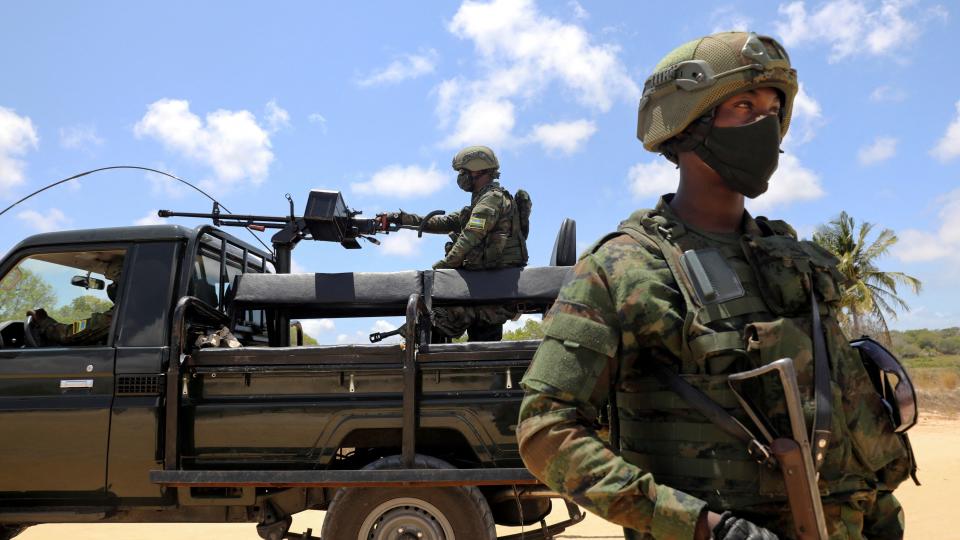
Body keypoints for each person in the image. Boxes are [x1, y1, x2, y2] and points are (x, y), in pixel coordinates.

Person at [517, 32, 914, 539]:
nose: (765, 123)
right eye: (744, 105)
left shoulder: (798, 263)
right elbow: (545, 431)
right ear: (687, 122)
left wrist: (881, 518)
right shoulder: (622, 268)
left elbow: (841, 420)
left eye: (774, 109)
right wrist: (705, 527)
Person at [382, 145, 530, 342]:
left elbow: (471, 235)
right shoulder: (483, 200)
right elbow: (445, 222)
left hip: (490, 286)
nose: (460, 177)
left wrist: (442, 270)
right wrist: (402, 219)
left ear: (477, 170)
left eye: (463, 172)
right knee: (478, 340)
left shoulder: (490, 200)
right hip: (487, 283)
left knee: (434, 322)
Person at [27, 270, 120, 346]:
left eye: (114, 282)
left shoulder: (117, 317)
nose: (111, 286)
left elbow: (69, 334)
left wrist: (43, 320)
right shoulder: (126, 314)